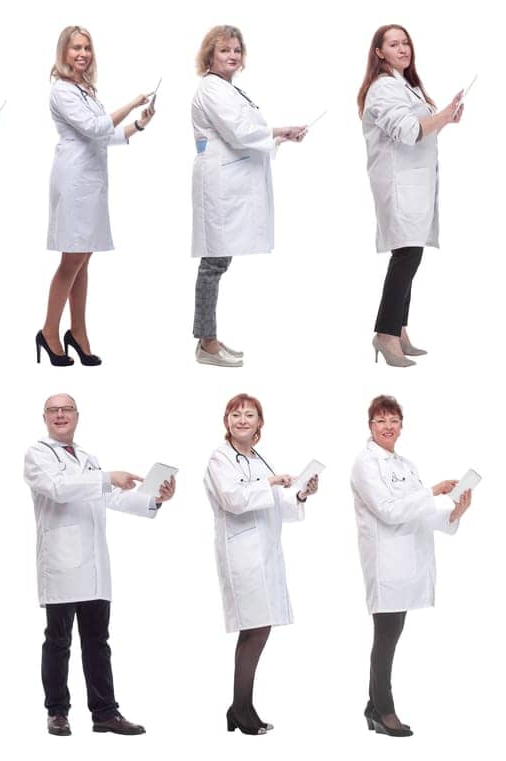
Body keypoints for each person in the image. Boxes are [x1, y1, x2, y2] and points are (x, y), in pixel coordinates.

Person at [23, 393, 175, 736]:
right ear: (44, 417)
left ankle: (105, 712)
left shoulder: (89, 459)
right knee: (58, 641)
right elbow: (58, 488)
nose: (61, 415)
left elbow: (113, 498)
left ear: (78, 415)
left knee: (97, 641)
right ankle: (57, 712)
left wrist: (155, 498)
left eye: (67, 410)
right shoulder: (37, 455)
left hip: (94, 566)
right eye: (54, 410)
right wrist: (107, 477)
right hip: (60, 564)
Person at [349, 395, 473, 737]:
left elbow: (420, 511)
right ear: (370, 426)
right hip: (386, 562)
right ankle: (384, 709)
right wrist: (433, 491)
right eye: (381, 421)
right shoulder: (365, 463)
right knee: (386, 636)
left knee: (391, 633)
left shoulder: (406, 465)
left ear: (401, 426)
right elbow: (389, 510)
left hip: (408, 562)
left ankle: (373, 707)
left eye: (393, 421)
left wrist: (452, 513)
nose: (388, 427)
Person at [37, 26, 154, 367]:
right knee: (71, 260)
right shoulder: (62, 90)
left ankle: (79, 331)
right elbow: (96, 128)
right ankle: (48, 331)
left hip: (91, 182)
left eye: (87, 47)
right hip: (74, 181)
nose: (83, 53)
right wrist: (132, 103)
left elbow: (105, 136)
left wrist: (141, 124)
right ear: (64, 52)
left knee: (84, 260)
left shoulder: (85, 89)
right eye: (76, 47)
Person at [201, 393, 317, 735]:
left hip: (263, 554)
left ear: (259, 424)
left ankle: (241, 706)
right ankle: (240, 707)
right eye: (235, 414)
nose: (241, 420)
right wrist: (269, 482)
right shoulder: (220, 458)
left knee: (256, 628)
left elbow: (275, 505)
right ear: (226, 421)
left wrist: (300, 492)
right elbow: (234, 499)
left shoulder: (258, 458)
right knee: (254, 628)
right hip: (241, 556)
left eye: (249, 415)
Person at [190, 25, 306, 368]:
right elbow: (240, 133)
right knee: (213, 263)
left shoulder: (229, 89)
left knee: (218, 261)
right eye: (224, 50)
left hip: (230, 181)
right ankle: (206, 343)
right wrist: (274, 134)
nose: (232, 56)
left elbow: (247, 131)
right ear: (210, 54)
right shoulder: (211, 89)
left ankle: (208, 338)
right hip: (220, 183)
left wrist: (280, 133)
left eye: (236, 50)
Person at [358, 25, 463, 367]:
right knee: (406, 256)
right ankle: (385, 334)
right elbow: (408, 132)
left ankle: (399, 330)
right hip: (398, 183)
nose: (403, 49)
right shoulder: (384, 88)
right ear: (379, 52)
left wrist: (446, 119)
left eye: (405, 43)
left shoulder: (406, 86)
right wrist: (442, 116)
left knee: (410, 254)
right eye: (393, 44)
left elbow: (421, 127)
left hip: (412, 182)